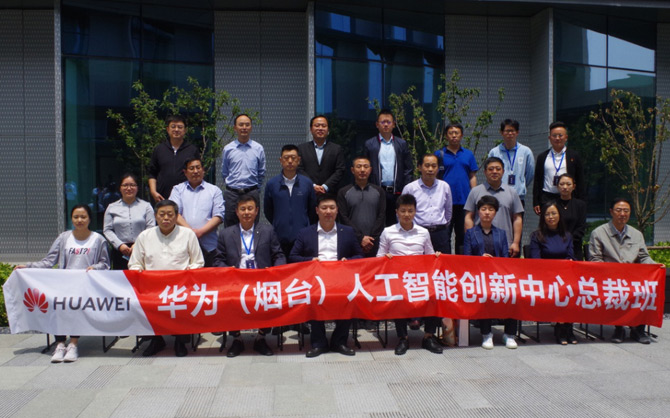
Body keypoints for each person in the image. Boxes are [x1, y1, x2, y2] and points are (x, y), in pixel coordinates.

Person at [15, 204, 110, 362]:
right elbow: (49, 261)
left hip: (85, 287)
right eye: (76, 217)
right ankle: (60, 344)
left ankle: (73, 344)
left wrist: (95, 267)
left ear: (89, 219)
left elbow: (105, 263)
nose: (79, 220)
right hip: (63, 284)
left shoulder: (98, 239)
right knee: (56, 308)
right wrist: (28, 266)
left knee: (76, 308)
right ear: (71, 219)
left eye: (83, 217)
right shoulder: (64, 238)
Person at [128, 200, 204, 357]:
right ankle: (156, 340)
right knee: (142, 302)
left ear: (176, 216)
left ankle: (180, 341)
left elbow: (198, 262)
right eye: (162, 214)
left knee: (183, 302)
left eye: (170, 214)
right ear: (155, 216)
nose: (166, 218)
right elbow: (134, 264)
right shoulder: (145, 236)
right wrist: (140, 273)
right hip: (152, 288)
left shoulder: (187, 234)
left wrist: (188, 274)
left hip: (181, 288)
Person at [289, 194, 363, 358]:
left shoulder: (348, 232)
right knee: (313, 297)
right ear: (317, 210)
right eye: (324, 208)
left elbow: (359, 256)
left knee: (349, 297)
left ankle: (339, 341)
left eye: (331, 208)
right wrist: (310, 260)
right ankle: (318, 343)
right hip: (315, 280)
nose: (328, 211)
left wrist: (348, 261)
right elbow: (293, 257)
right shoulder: (305, 233)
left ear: (337, 210)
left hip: (341, 280)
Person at [213, 194, 286, 357]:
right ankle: (236, 339)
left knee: (269, 297)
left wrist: (274, 271)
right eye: (243, 209)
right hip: (236, 281)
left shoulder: (267, 231)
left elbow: (279, 255)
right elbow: (218, 260)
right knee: (229, 301)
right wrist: (228, 270)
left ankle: (261, 338)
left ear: (256, 211)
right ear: (237, 212)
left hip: (262, 280)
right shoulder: (226, 233)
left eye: (250, 209)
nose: (246, 212)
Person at [376, 194, 444, 355]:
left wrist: (436, 256)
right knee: (398, 296)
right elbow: (379, 257)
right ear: (397, 212)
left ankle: (428, 337)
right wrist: (386, 259)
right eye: (403, 211)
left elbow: (430, 256)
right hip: (397, 279)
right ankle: (403, 338)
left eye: (410, 211)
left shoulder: (423, 232)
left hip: (419, 278)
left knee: (435, 295)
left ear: (415, 212)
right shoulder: (388, 232)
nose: (406, 214)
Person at [401, 154, 455, 342]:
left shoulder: (444, 186)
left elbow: (448, 212)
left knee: (438, 275)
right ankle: (415, 315)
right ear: (419, 167)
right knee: (417, 275)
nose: (430, 169)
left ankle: (437, 316)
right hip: (418, 234)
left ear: (438, 168)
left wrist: (442, 227)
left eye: (434, 166)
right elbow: (405, 210)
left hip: (439, 233)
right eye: (427, 165)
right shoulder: (410, 188)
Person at [588, 198, 657, 344]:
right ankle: (619, 328)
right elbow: (595, 259)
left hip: (632, 277)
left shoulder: (636, 234)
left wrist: (655, 266)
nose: (622, 214)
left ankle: (638, 329)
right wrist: (611, 273)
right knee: (618, 290)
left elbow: (644, 257)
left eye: (626, 211)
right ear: (611, 212)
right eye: (618, 210)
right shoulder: (598, 233)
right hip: (609, 278)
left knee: (646, 290)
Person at [463, 196, 517, 349]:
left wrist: (495, 263)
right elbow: (467, 258)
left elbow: (505, 258)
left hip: (498, 277)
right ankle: (486, 334)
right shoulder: (471, 233)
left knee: (514, 294)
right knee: (484, 294)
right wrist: (481, 260)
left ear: (495, 213)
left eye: (491, 209)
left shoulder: (501, 233)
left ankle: (509, 334)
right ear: (478, 212)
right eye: (484, 209)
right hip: (478, 278)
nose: (487, 212)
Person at [528, 201, 576, 345]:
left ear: (559, 215)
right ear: (543, 217)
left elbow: (571, 256)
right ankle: (560, 328)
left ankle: (568, 327)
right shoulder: (537, 236)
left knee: (572, 290)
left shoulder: (567, 235)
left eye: (554, 213)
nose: (551, 217)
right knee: (559, 291)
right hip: (545, 277)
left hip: (564, 276)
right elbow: (536, 260)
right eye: (547, 214)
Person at [169, 158, 224, 267]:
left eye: (198, 168)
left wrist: (200, 232)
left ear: (203, 170)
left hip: (209, 246)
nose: (195, 171)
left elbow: (219, 216)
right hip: (183, 246)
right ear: (185, 172)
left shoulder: (214, 190)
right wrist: (191, 233)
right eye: (191, 168)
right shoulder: (177, 190)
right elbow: (174, 213)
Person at [464, 157, 524, 258]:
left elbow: (517, 218)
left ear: (503, 171)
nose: (494, 172)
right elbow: (469, 217)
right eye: (491, 169)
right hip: (479, 244)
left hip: (505, 245)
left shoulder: (512, 192)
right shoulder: (475, 191)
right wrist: (471, 240)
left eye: (498, 169)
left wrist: (516, 242)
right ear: (485, 172)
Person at [264, 144, 316, 258]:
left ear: (299, 160)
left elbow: (312, 210)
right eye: (286, 158)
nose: (290, 161)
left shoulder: (307, 183)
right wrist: (279, 223)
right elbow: (268, 210)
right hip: (279, 237)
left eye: (293, 158)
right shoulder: (272, 184)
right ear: (280, 160)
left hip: (302, 238)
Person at [363, 109, 413, 226]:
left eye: (389, 122)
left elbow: (408, 169)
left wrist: (406, 189)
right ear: (377, 125)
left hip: (397, 192)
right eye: (383, 122)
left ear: (394, 124)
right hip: (377, 191)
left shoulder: (401, 144)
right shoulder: (370, 144)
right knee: (376, 223)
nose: (386, 125)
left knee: (394, 224)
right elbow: (365, 168)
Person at [435, 123, 478, 254]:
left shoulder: (468, 155)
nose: (454, 136)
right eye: (451, 133)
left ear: (462, 135)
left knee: (462, 236)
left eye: (457, 133)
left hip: (464, 202)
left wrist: (475, 196)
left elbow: (472, 176)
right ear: (446, 136)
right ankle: (446, 262)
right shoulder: (439, 154)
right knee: (445, 236)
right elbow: (435, 176)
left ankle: (460, 263)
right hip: (444, 202)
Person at [221, 114, 266, 226]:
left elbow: (261, 172)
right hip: (232, 194)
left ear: (251, 127)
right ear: (235, 128)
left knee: (252, 226)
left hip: (251, 192)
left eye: (247, 125)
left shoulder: (258, 148)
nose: (244, 127)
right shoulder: (228, 149)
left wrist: (255, 189)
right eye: (241, 125)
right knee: (230, 228)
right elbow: (225, 172)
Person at [103, 173, 155, 270]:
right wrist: (119, 245)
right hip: (120, 250)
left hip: (142, 248)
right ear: (120, 188)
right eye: (125, 185)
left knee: (141, 277)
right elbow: (107, 229)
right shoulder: (112, 207)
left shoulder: (146, 206)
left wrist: (138, 244)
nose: (129, 188)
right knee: (120, 278)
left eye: (132, 185)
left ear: (137, 188)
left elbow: (151, 227)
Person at [337, 156, 386, 257]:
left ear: (370, 170)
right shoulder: (343, 192)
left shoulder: (379, 191)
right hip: (351, 241)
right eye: (359, 166)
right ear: (352, 170)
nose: (362, 170)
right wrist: (360, 238)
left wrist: (371, 239)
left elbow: (381, 216)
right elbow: (343, 217)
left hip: (374, 242)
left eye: (366, 166)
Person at [533, 121, 585, 215]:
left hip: (568, 197)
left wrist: (580, 201)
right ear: (549, 138)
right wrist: (536, 201)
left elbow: (580, 180)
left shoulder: (574, 156)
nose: (557, 138)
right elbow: (537, 180)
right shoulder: (542, 157)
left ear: (566, 137)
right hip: (547, 197)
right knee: (549, 222)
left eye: (560, 135)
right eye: (554, 136)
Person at [148, 115, 199, 203]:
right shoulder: (159, 149)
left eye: (180, 127)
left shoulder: (192, 150)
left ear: (185, 130)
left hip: (186, 198)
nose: (176, 129)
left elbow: (197, 174)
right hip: (162, 197)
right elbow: (152, 173)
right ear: (167, 129)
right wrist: (153, 192)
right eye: (173, 126)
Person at [487, 119, 535, 207]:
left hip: (518, 197)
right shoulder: (494, 152)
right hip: (498, 196)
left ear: (517, 132)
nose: (510, 133)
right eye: (507, 131)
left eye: (512, 131)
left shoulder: (526, 151)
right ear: (501, 132)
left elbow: (530, 173)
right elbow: (489, 172)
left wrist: (521, 183)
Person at [298, 115, 346, 197]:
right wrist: (313, 186)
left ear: (328, 130)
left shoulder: (336, 149)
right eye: (317, 125)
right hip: (307, 193)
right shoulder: (301, 149)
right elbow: (299, 169)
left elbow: (340, 170)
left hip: (330, 194)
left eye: (323, 126)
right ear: (311, 129)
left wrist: (325, 186)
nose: (320, 128)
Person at [555, 173, 587, 260]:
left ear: (574, 186)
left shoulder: (580, 205)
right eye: (562, 184)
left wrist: (569, 240)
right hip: (555, 246)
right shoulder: (552, 205)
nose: (565, 187)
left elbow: (581, 227)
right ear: (557, 186)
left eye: (568, 184)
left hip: (575, 247)